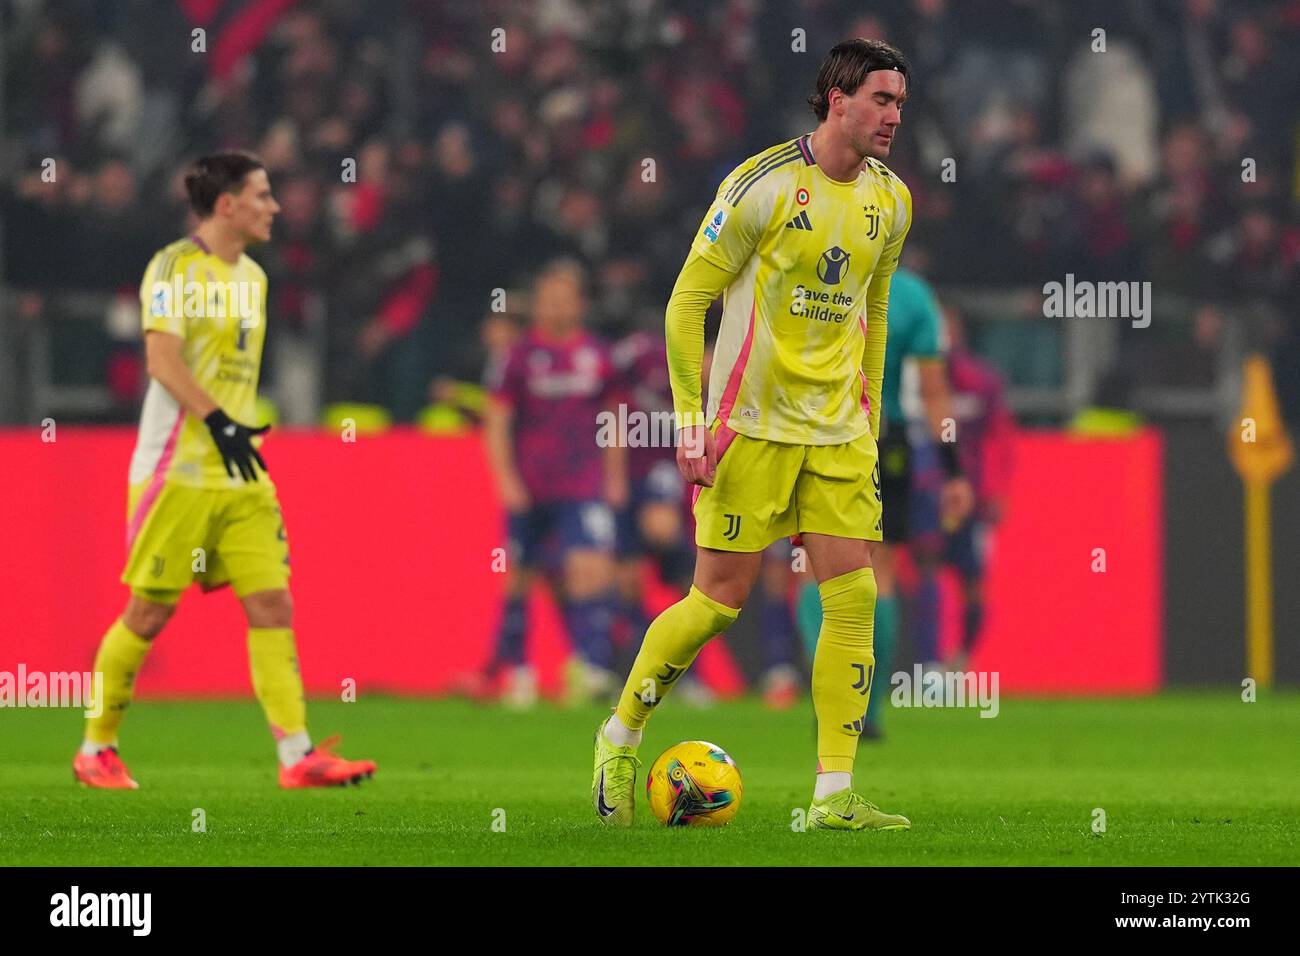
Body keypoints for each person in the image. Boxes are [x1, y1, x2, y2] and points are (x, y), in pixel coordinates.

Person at [592, 39, 915, 830]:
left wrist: (870, 412)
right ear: (837, 100)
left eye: (901, 103)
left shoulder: (893, 201)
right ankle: (619, 733)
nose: (894, 117)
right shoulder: (761, 186)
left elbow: (872, 309)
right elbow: (685, 303)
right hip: (750, 427)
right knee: (717, 602)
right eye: (881, 99)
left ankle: (833, 797)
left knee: (853, 596)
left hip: (837, 430)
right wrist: (690, 421)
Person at [74, 152, 376, 789]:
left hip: (241, 472)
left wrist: (234, 430)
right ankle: (96, 748)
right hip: (177, 468)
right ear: (227, 204)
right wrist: (217, 421)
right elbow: (162, 360)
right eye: (262, 195)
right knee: (150, 613)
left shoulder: (257, 277)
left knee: (272, 603)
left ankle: (297, 757)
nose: (274, 207)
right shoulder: (174, 266)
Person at [482, 260, 628, 707]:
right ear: (537, 305)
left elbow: (614, 419)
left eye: (564, 298)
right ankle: (520, 672)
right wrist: (505, 478)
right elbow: (498, 419)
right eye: (548, 299)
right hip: (531, 483)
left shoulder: (598, 355)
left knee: (590, 570)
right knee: (521, 576)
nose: (556, 306)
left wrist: (615, 476)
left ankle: (588, 667)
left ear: (579, 304)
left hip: (581, 482)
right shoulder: (519, 356)